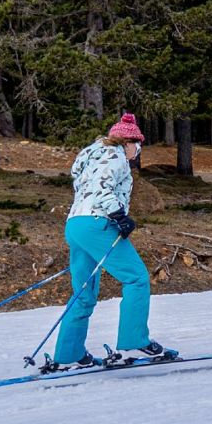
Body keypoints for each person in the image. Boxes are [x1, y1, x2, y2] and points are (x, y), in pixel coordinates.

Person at [44, 113, 171, 372]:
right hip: (98, 223)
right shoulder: (115, 156)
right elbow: (103, 188)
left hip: (76, 224)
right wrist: (118, 216)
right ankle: (134, 342)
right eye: (138, 145)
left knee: (83, 292)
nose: (138, 151)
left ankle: (69, 354)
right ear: (128, 142)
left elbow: (87, 184)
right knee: (136, 278)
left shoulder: (90, 155)